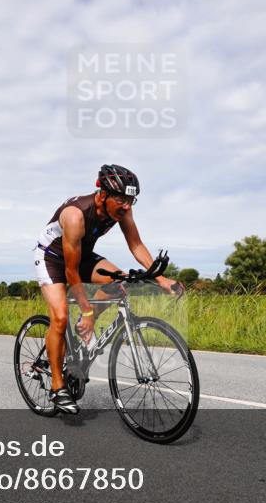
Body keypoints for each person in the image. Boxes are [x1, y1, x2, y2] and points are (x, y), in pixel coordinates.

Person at [33, 164, 181, 414]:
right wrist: (87, 311)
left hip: (81, 254)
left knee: (119, 282)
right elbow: (71, 272)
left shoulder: (123, 211)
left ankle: (82, 328)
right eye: (121, 200)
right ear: (102, 195)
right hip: (52, 258)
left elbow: (136, 245)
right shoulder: (76, 215)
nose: (127, 206)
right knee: (59, 317)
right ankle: (57, 387)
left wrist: (162, 280)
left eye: (131, 201)